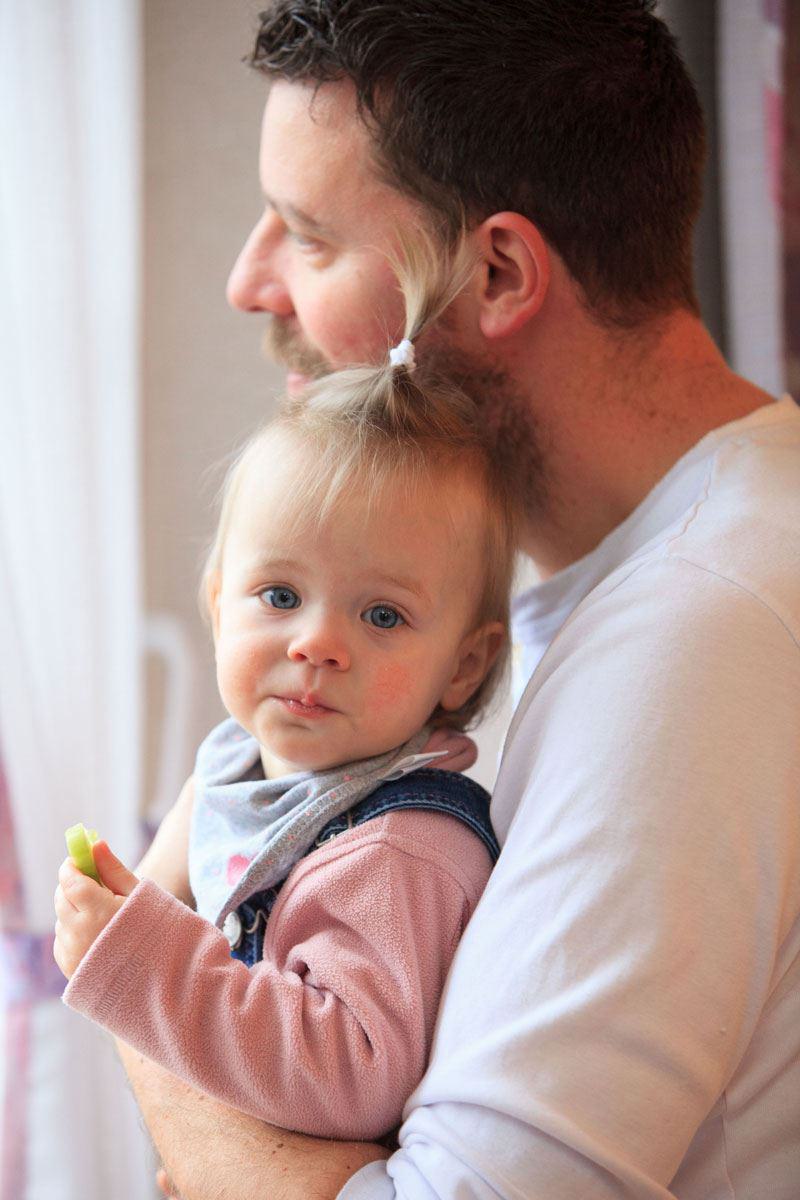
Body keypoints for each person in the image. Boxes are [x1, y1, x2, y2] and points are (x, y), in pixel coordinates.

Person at [109, 2, 800, 1197]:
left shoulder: (696, 634)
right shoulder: (600, 581)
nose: (247, 281)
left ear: (495, 273)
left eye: (309, 235)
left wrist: (144, 990)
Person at [53, 239, 516, 1141]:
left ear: (463, 663)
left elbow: (352, 1076)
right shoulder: (236, 763)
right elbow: (165, 906)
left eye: (382, 616)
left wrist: (136, 957)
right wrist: (112, 902)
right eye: (279, 596)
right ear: (219, 603)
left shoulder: (397, 851)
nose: (317, 644)